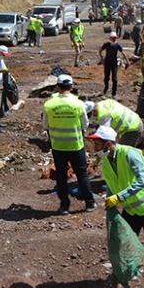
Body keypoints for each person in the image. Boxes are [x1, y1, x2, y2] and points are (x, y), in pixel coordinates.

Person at [85, 126, 144, 288]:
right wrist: (110, 202)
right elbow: (112, 186)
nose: (94, 150)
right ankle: (127, 272)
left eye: (96, 145)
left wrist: (119, 197)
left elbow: (143, 179)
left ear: (108, 144)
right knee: (122, 244)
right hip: (132, 209)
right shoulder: (107, 164)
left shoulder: (130, 154)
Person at [42, 74, 97, 215]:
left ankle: (64, 206)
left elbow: (45, 125)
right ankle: (90, 203)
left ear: (58, 87)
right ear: (72, 87)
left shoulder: (49, 104)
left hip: (58, 146)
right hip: (75, 145)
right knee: (82, 174)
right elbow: (85, 124)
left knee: (61, 176)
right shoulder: (78, 103)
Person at [99, 32, 130, 99]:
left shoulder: (117, 45)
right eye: (113, 38)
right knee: (106, 78)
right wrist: (102, 59)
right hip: (107, 63)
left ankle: (114, 93)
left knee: (114, 79)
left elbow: (123, 53)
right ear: (110, 38)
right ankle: (106, 87)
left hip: (114, 64)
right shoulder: (106, 44)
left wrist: (127, 61)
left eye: (115, 38)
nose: (114, 39)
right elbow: (100, 50)